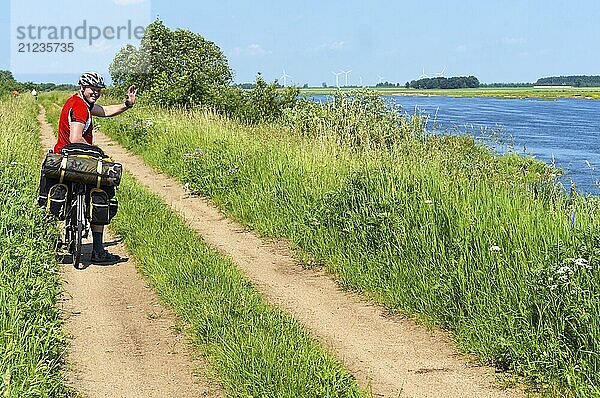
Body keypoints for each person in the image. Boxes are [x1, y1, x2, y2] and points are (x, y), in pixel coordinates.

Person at [54, 71, 137, 263]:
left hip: (63, 157)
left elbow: (105, 111)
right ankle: (98, 249)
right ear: (82, 87)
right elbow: (76, 138)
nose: (96, 92)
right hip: (77, 158)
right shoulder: (81, 108)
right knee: (102, 189)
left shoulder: (79, 102)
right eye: (92, 89)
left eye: (98, 90)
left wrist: (127, 105)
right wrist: (96, 152)